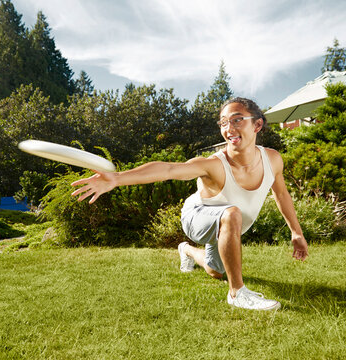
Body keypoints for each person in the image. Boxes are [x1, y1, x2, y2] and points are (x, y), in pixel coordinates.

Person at [71, 97, 308, 311]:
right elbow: (169, 169)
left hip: (226, 224)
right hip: (197, 216)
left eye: (237, 120)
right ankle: (237, 294)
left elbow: (282, 194)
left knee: (217, 271)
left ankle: (187, 250)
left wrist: (296, 232)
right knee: (232, 213)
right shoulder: (213, 164)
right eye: (223, 123)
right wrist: (117, 178)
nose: (229, 128)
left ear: (256, 125)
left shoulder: (272, 159)